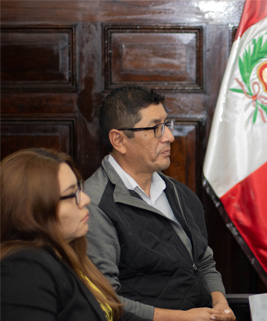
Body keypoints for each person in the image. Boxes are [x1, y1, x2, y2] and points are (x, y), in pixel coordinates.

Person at [85, 85, 235, 321]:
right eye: (156, 128)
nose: (169, 137)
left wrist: (220, 302)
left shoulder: (179, 192)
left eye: (167, 124)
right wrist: (181, 318)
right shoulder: (93, 205)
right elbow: (105, 300)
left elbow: (204, 261)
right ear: (119, 140)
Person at [1, 148, 123, 321]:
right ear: (32, 210)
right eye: (71, 193)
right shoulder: (25, 267)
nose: (86, 199)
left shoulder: (68, 253)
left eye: (79, 187)